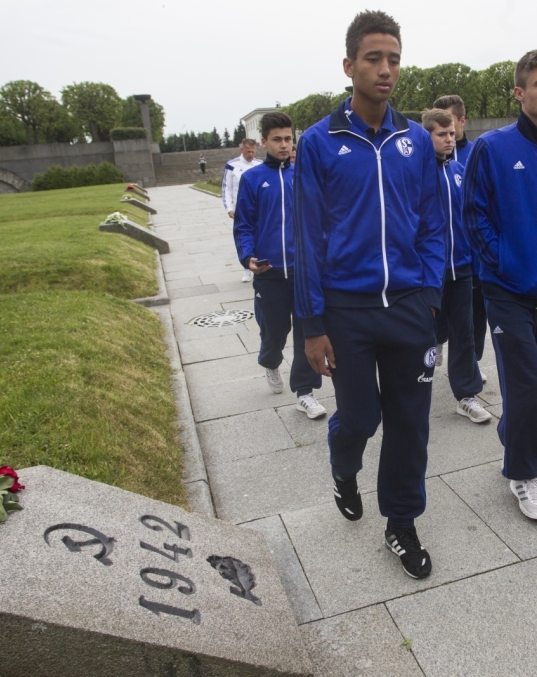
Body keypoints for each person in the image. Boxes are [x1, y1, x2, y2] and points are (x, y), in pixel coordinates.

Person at [293, 11, 445, 580]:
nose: (386, 70)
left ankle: (401, 524)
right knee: (360, 416)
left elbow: (432, 221)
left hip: (408, 306)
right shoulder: (319, 142)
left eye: (394, 59)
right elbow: (305, 238)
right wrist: (310, 325)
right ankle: (343, 465)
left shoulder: (413, 140)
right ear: (349, 65)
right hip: (345, 310)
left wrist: (429, 293)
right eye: (375, 58)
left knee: (411, 421)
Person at [463, 48, 537, 521]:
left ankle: (515, 439)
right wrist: (503, 263)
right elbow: (473, 215)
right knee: (527, 381)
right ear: (519, 93)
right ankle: (522, 472)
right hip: (505, 289)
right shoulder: (492, 149)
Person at [233, 112, 326, 419]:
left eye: (288, 139)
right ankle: (270, 361)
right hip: (269, 273)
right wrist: (248, 258)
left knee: (306, 331)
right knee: (275, 332)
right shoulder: (253, 179)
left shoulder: (304, 174)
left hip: (304, 272)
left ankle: (305, 392)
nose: (284, 145)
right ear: (264, 142)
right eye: (277, 139)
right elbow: (244, 224)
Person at [421, 108, 490, 424]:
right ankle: (414, 387)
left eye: (452, 134)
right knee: (425, 333)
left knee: (464, 332)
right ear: (427, 136)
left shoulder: (461, 170)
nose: (449, 139)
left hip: (461, 267)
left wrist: (476, 262)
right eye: (441, 134)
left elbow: (472, 218)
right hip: (428, 272)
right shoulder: (418, 174)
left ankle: (466, 395)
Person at [433, 94, 486, 382]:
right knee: (436, 319)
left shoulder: (473, 156)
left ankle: (469, 373)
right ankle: (437, 346)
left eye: (451, 128)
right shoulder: (424, 167)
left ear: (462, 122)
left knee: (471, 322)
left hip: (468, 260)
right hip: (437, 264)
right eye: (441, 131)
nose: (448, 136)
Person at [223, 138, 263, 282]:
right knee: (244, 236)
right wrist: (229, 207)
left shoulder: (260, 164)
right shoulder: (232, 166)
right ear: (242, 150)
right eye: (248, 152)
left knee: (259, 236)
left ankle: (259, 263)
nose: (250, 155)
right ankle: (246, 267)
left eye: (253, 152)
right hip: (242, 208)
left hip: (258, 208)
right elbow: (226, 188)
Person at [432, 94, 473, 167]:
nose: (442, 125)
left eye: (447, 119)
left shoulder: (476, 153)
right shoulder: (427, 156)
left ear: (462, 121)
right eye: (438, 120)